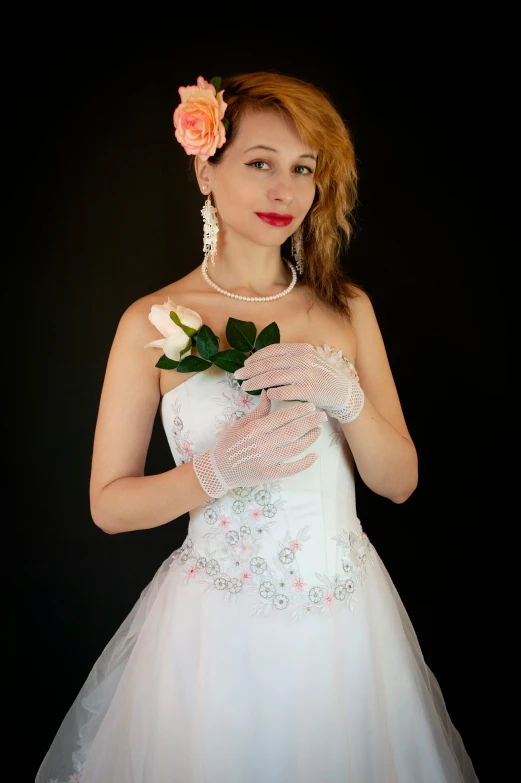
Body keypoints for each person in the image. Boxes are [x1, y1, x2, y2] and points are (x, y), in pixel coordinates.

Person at [36, 72, 479, 782]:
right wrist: (213, 473)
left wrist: (349, 401)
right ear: (205, 167)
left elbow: (397, 482)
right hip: (214, 633)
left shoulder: (345, 308)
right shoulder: (150, 322)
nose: (285, 190)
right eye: (260, 162)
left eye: (303, 169)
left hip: (343, 627)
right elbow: (108, 505)